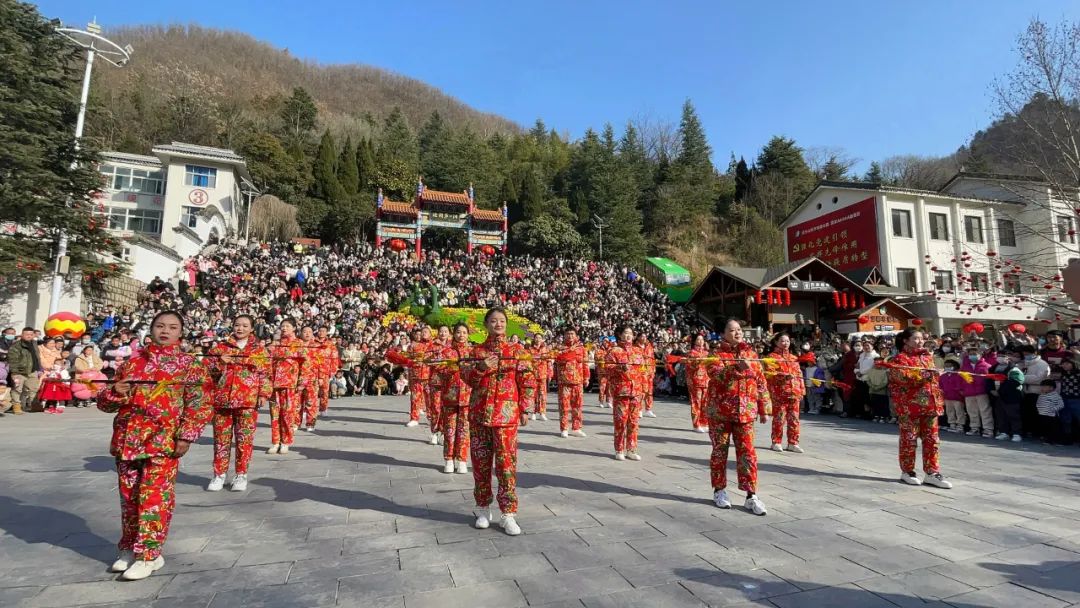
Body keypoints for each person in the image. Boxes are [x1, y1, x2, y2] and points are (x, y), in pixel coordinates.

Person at [97, 311, 212, 581]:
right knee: (129, 499)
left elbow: (200, 403)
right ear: (151, 328)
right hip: (128, 440)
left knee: (154, 498)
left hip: (163, 440)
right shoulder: (132, 363)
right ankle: (129, 547)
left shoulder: (189, 365)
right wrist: (116, 392)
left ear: (180, 333)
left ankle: (148, 553)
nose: (165, 331)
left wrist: (186, 436)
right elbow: (105, 404)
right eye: (160, 325)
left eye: (172, 327)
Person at [463, 308, 534, 536]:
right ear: (486, 324)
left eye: (502, 321)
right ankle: (483, 508)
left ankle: (508, 513)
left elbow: (527, 380)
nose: (498, 324)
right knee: (481, 463)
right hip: (479, 414)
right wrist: (481, 368)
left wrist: (526, 408)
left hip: (506, 415)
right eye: (493, 321)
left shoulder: (516, 350)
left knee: (506, 465)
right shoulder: (477, 350)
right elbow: (467, 378)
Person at [705, 319, 771, 516]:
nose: (737, 333)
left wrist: (764, 406)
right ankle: (719, 490)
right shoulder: (715, 355)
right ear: (723, 333)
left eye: (739, 330)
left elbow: (760, 381)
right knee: (719, 452)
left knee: (748, 453)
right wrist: (735, 368)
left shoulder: (751, 354)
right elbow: (715, 376)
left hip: (746, 412)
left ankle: (751, 495)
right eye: (732, 330)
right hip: (721, 413)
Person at [205, 315, 272, 492]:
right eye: (237, 325)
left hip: (247, 401)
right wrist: (220, 362)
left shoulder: (259, 350)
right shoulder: (220, 348)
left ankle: (241, 474)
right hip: (222, 400)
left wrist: (263, 394)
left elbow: (265, 374)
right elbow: (206, 372)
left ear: (251, 329)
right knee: (221, 440)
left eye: (245, 326)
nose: (240, 328)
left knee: (244, 440)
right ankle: (219, 474)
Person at [886, 328, 952, 489]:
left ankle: (932, 472)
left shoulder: (927, 357)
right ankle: (907, 471)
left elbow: (932, 381)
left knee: (932, 440)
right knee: (909, 439)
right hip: (910, 407)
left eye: (921, 338)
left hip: (930, 405)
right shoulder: (899, 359)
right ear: (905, 340)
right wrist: (929, 375)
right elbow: (904, 379)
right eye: (915, 338)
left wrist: (935, 376)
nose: (920, 341)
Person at [435, 323, 472, 474]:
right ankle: (448, 459)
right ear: (453, 334)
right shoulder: (446, 351)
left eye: (464, 332)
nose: (461, 335)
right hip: (450, 395)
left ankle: (462, 459)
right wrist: (451, 367)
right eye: (458, 332)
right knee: (449, 429)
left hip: (468, 396)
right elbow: (438, 369)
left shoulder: (472, 352)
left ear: (468, 334)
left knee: (464, 430)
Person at [606, 325, 646, 461]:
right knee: (620, 422)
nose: (628, 335)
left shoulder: (638, 351)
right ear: (620, 335)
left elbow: (643, 371)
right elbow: (607, 369)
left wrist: (644, 389)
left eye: (630, 333)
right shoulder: (614, 351)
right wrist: (619, 368)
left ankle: (631, 449)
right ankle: (619, 449)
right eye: (625, 333)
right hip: (621, 391)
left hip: (636, 391)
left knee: (634, 422)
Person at [268, 319, 304, 454]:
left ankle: (286, 441)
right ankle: (275, 441)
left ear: (294, 328)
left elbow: (304, 364)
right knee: (275, 414)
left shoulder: (298, 343)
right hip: (274, 383)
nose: (284, 328)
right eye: (282, 326)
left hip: (290, 383)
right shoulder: (276, 343)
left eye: (287, 326)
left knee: (288, 413)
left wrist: (301, 382)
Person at [765, 333, 806, 453]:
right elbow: (769, 374)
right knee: (779, 418)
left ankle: (793, 442)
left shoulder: (794, 358)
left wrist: (802, 390)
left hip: (795, 392)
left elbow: (799, 375)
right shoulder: (771, 357)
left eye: (787, 341)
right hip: (780, 393)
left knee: (794, 419)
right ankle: (776, 441)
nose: (785, 343)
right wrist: (783, 376)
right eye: (782, 341)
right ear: (776, 342)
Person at [553, 328, 589, 439]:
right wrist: (570, 352)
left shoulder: (582, 349)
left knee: (577, 406)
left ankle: (576, 428)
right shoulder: (559, 348)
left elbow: (585, 364)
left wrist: (586, 377)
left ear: (576, 335)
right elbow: (558, 359)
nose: (570, 336)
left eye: (572, 334)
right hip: (564, 382)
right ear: (564, 335)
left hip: (578, 381)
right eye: (567, 334)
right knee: (564, 406)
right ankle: (564, 428)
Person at [8, 327, 42, 414]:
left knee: (34, 389)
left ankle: (34, 405)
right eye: (27, 334)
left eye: (31, 334)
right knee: (17, 389)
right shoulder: (16, 346)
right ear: (22, 335)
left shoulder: (34, 343)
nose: (29, 336)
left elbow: (36, 357)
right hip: (19, 371)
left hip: (32, 370)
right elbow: (12, 360)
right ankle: (16, 406)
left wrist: (39, 368)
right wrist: (14, 372)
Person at [1019, 345, 1049, 438]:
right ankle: (1030, 431)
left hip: (1037, 392)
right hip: (1026, 392)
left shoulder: (1042, 364)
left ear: (1034, 353)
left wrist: (1022, 378)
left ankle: (1039, 433)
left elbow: (1040, 378)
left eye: (1028, 353)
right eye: (1024, 354)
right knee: (1027, 414)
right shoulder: (1023, 363)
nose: (1026, 355)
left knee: (1037, 414)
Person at [687, 334, 710, 432]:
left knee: (705, 403)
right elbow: (689, 367)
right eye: (698, 339)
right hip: (695, 381)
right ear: (694, 341)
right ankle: (696, 425)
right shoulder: (691, 353)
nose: (700, 341)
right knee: (696, 403)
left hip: (706, 381)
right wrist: (697, 362)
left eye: (702, 339)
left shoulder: (706, 353)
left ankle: (704, 423)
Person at [995, 365, 1025, 442]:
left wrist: (1003, 387)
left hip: (1012, 398)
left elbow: (1017, 382)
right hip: (1002, 398)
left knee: (1014, 417)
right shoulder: (1002, 369)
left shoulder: (1015, 370)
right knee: (1002, 416)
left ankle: (1017, 434)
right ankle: (1004, 433)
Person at [938, 360, 967, 433]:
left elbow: (961, 386)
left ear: (954, 367)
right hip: (947, 397)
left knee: (959, 411)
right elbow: (940, 386)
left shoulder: (959, 375)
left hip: (957, 397)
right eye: (946, 366)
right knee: (949, 411)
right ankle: (952, 424)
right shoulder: (942, 376)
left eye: (949, 366)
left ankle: (960, 425)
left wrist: (960, 392)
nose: (947, 367)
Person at [1056, 358, 1080, 444]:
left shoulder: (1078, 374)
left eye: (1067, 363)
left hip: (1076, 399)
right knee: (1066, 419)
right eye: (1063, 364)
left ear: (1073, 364)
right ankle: (1067, 438)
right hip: (1065, 398)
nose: (1065, 365)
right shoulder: (1064, 374)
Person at [1035, 379, 1065, 444]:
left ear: (1051, 388)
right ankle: (1047, 439)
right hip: (1042, 414)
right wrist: (1039, 409)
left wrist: (1053, 409)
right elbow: (1038, 403)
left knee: (1053, 428)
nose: (1042, 388)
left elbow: (1061, 404)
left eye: (1044, 387)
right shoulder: (1041, 395)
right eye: (1042, 386)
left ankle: (1054, 440)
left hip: (1052, 416)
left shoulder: (1056, 396)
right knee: (1045, 428)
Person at [529, 334, 552, 421]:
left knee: (543, 394)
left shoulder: (545, 349)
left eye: (540, 338)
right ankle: (533, 412)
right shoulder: (530, 349)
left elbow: (549, 362)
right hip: (533, 374)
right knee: (533, 394)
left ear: (542, 339)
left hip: (543, 374)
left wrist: (550, 374)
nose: (538, 339)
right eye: (536, 337)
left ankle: (542, 412)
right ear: (534, 339)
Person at [635, 333, 657, 418]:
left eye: (645, 336)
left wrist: (654, 369)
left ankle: (648, 409)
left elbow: (653, 358)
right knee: (641, 391)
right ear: (638, 337)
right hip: (640, 372)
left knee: (649, 392)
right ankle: (639, 409)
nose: (644, 338)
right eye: (642, 336)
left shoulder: (649, 346)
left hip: (649, 372)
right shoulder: (635, 347)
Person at [865, 355, 890, 422]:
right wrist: (872, 386)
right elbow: (868, 380)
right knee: (874, 403)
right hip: (872, 390)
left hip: (881, 391)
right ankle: (876, 415)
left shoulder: (884, 371)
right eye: (876, 362)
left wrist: (878, 387)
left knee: (882, 404)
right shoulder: (871, 371)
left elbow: (885, 382)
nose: (878, 364)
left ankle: (882, 416)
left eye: (879, 362)